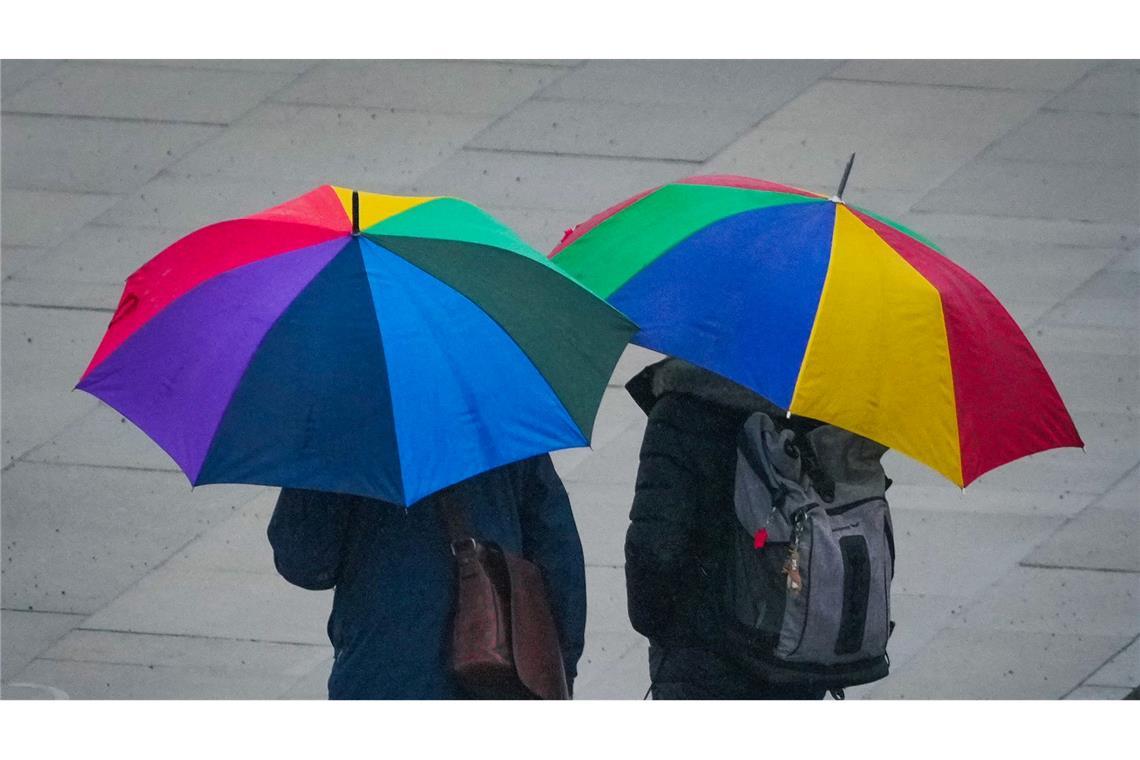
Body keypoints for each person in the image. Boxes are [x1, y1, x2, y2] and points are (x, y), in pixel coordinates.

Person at [267, 454, 586, 699]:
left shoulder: (346, 427)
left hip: (382, 673)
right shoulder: (501, 413)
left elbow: (304, 563)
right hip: (498, 672)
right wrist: (558, 671)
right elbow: (558, 555)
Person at [623, 358, 826, 700]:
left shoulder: (680, 411)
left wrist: (655, 623)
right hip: (794, 644)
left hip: (702, 654)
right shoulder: (814, 412)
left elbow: (656, 551)